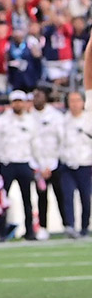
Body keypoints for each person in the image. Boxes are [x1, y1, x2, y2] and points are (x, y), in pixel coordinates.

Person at [0, 91, 38, 242]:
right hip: (7, 163)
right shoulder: (2, 121)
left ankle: (30, 231)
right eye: (15, 101)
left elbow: (36, 144)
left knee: (27, 199)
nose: (18, 104)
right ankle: (1, 231)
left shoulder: (31, 121)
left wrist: (38, 164)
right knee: (2, 200)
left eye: (20, 101)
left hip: (25, 162)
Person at [31, 89, 64, 238]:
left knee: (61, 195)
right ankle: (42, 226)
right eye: (35, 95)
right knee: (41, 197)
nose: (37, 98)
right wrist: (39, 165)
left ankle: (67, 224)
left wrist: (51, 164)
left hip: (54, 163)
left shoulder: (56, 116)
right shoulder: (29, 116)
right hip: (37, 164)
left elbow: (62, 141)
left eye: (40, 95)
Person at [60, 91, 92, 238]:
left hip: (86, 164)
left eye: (77, 100)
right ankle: (70, 226)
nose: (74, 104)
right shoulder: (62, 121)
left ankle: (84, 226)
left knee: (85, 197)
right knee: (67, 195)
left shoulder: (88, 120)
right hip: (67, 164)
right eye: (71, 100)